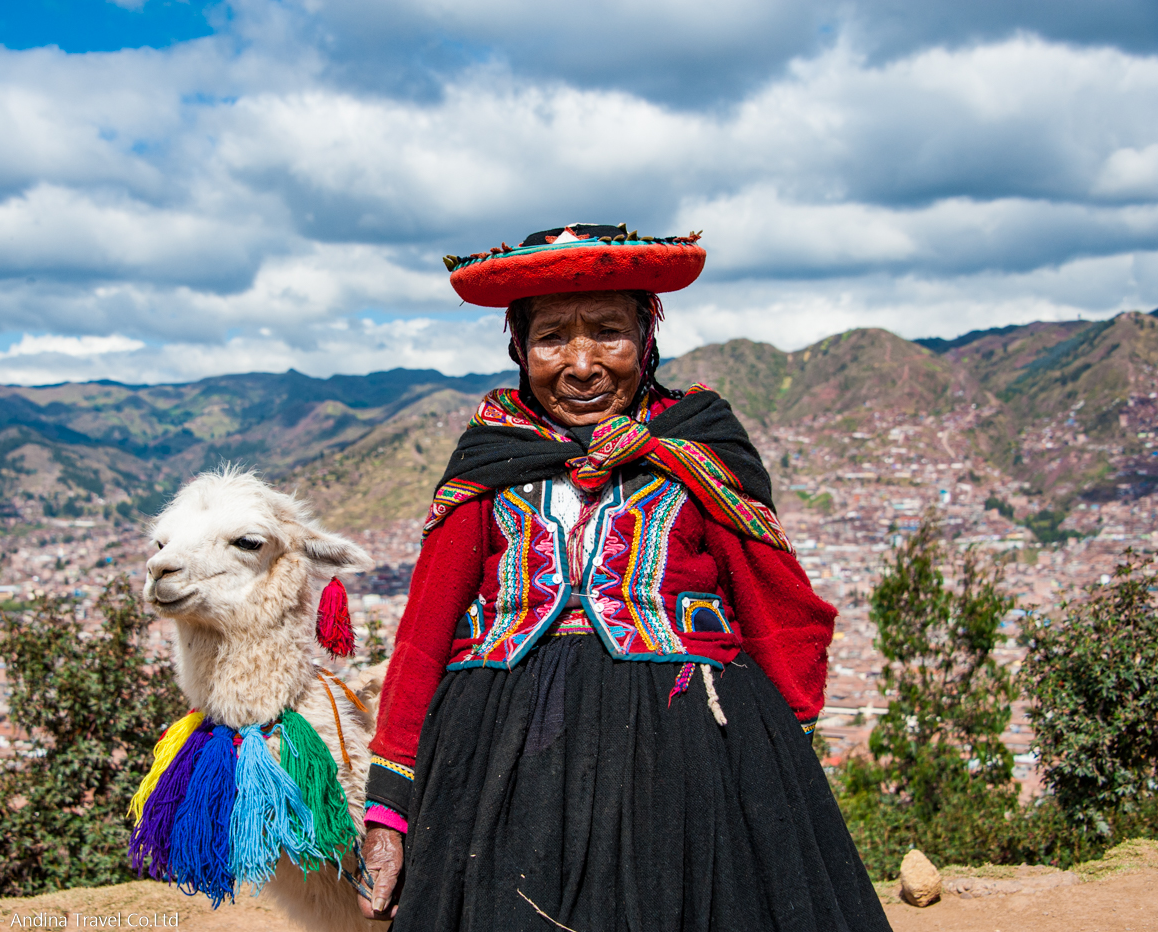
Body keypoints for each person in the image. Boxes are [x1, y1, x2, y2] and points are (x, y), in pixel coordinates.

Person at [357, 224, 891, 931]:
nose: (581, 364)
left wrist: (780, 788)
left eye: (608, 332)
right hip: (499, 770)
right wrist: (389, 811)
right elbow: (424, 637)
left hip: (689, 769)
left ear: (647, 338)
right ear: (518, 348)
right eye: (552, 339)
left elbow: (774, 606)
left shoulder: (699, 446)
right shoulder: (488, 460)